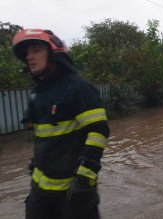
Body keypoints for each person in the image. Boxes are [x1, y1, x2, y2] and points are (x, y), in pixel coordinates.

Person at [12, 29, 110, 219]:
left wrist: (84, 179)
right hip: (40, 194)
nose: (29, 56)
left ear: (53, 53)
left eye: (35, 50)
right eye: (26, 53)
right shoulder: (38, 92)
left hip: (73, 195)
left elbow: (98, 131)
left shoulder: (78, 88)